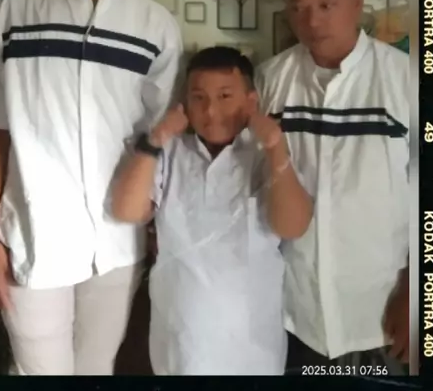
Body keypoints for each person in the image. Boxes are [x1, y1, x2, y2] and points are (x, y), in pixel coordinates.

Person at [0, 0, 183, 375]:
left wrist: (158, 222)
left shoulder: (154, 26)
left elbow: (160, 139)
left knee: (96, 367)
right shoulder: (15, 12)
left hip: (118, 238)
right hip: (33, 233)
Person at [112, 46, 313, 376]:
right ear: (185, 103)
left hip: (252, 344)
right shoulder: (171, 153)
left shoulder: (264, 156)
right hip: (179, 340)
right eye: (199, 98)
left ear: (250, 101)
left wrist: (276, 148)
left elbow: (293, 226)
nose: (210, 110)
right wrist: (157, 138)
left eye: (225, 96)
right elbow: (127, 210)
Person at [255, 0, 409, 375]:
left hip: (382, 315)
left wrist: (419, 292)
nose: (312, 21)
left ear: (357, 2)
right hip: (293, 313)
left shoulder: (405, 79)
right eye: (298, 8)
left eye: (327, 5)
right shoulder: (271, 81)